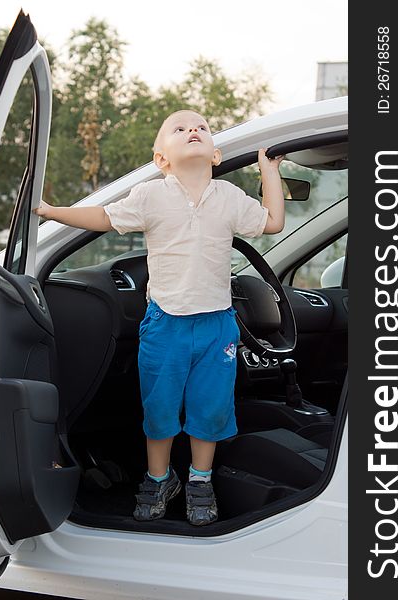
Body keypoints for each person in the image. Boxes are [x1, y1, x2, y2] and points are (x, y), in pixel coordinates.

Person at [33, 109, 285, 526]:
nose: (193, 130)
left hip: (216, 325)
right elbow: (103, 217)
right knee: (160, 409)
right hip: (165, 323)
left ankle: (199, 480)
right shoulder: (151, 197)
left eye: (202, 127)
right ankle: (159, 478)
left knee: (210, 409)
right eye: (180, 128)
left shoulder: (228, 198)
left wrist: (268, 171)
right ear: (161, 159)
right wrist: (52, 211)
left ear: (216, 154)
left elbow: (273, 221)